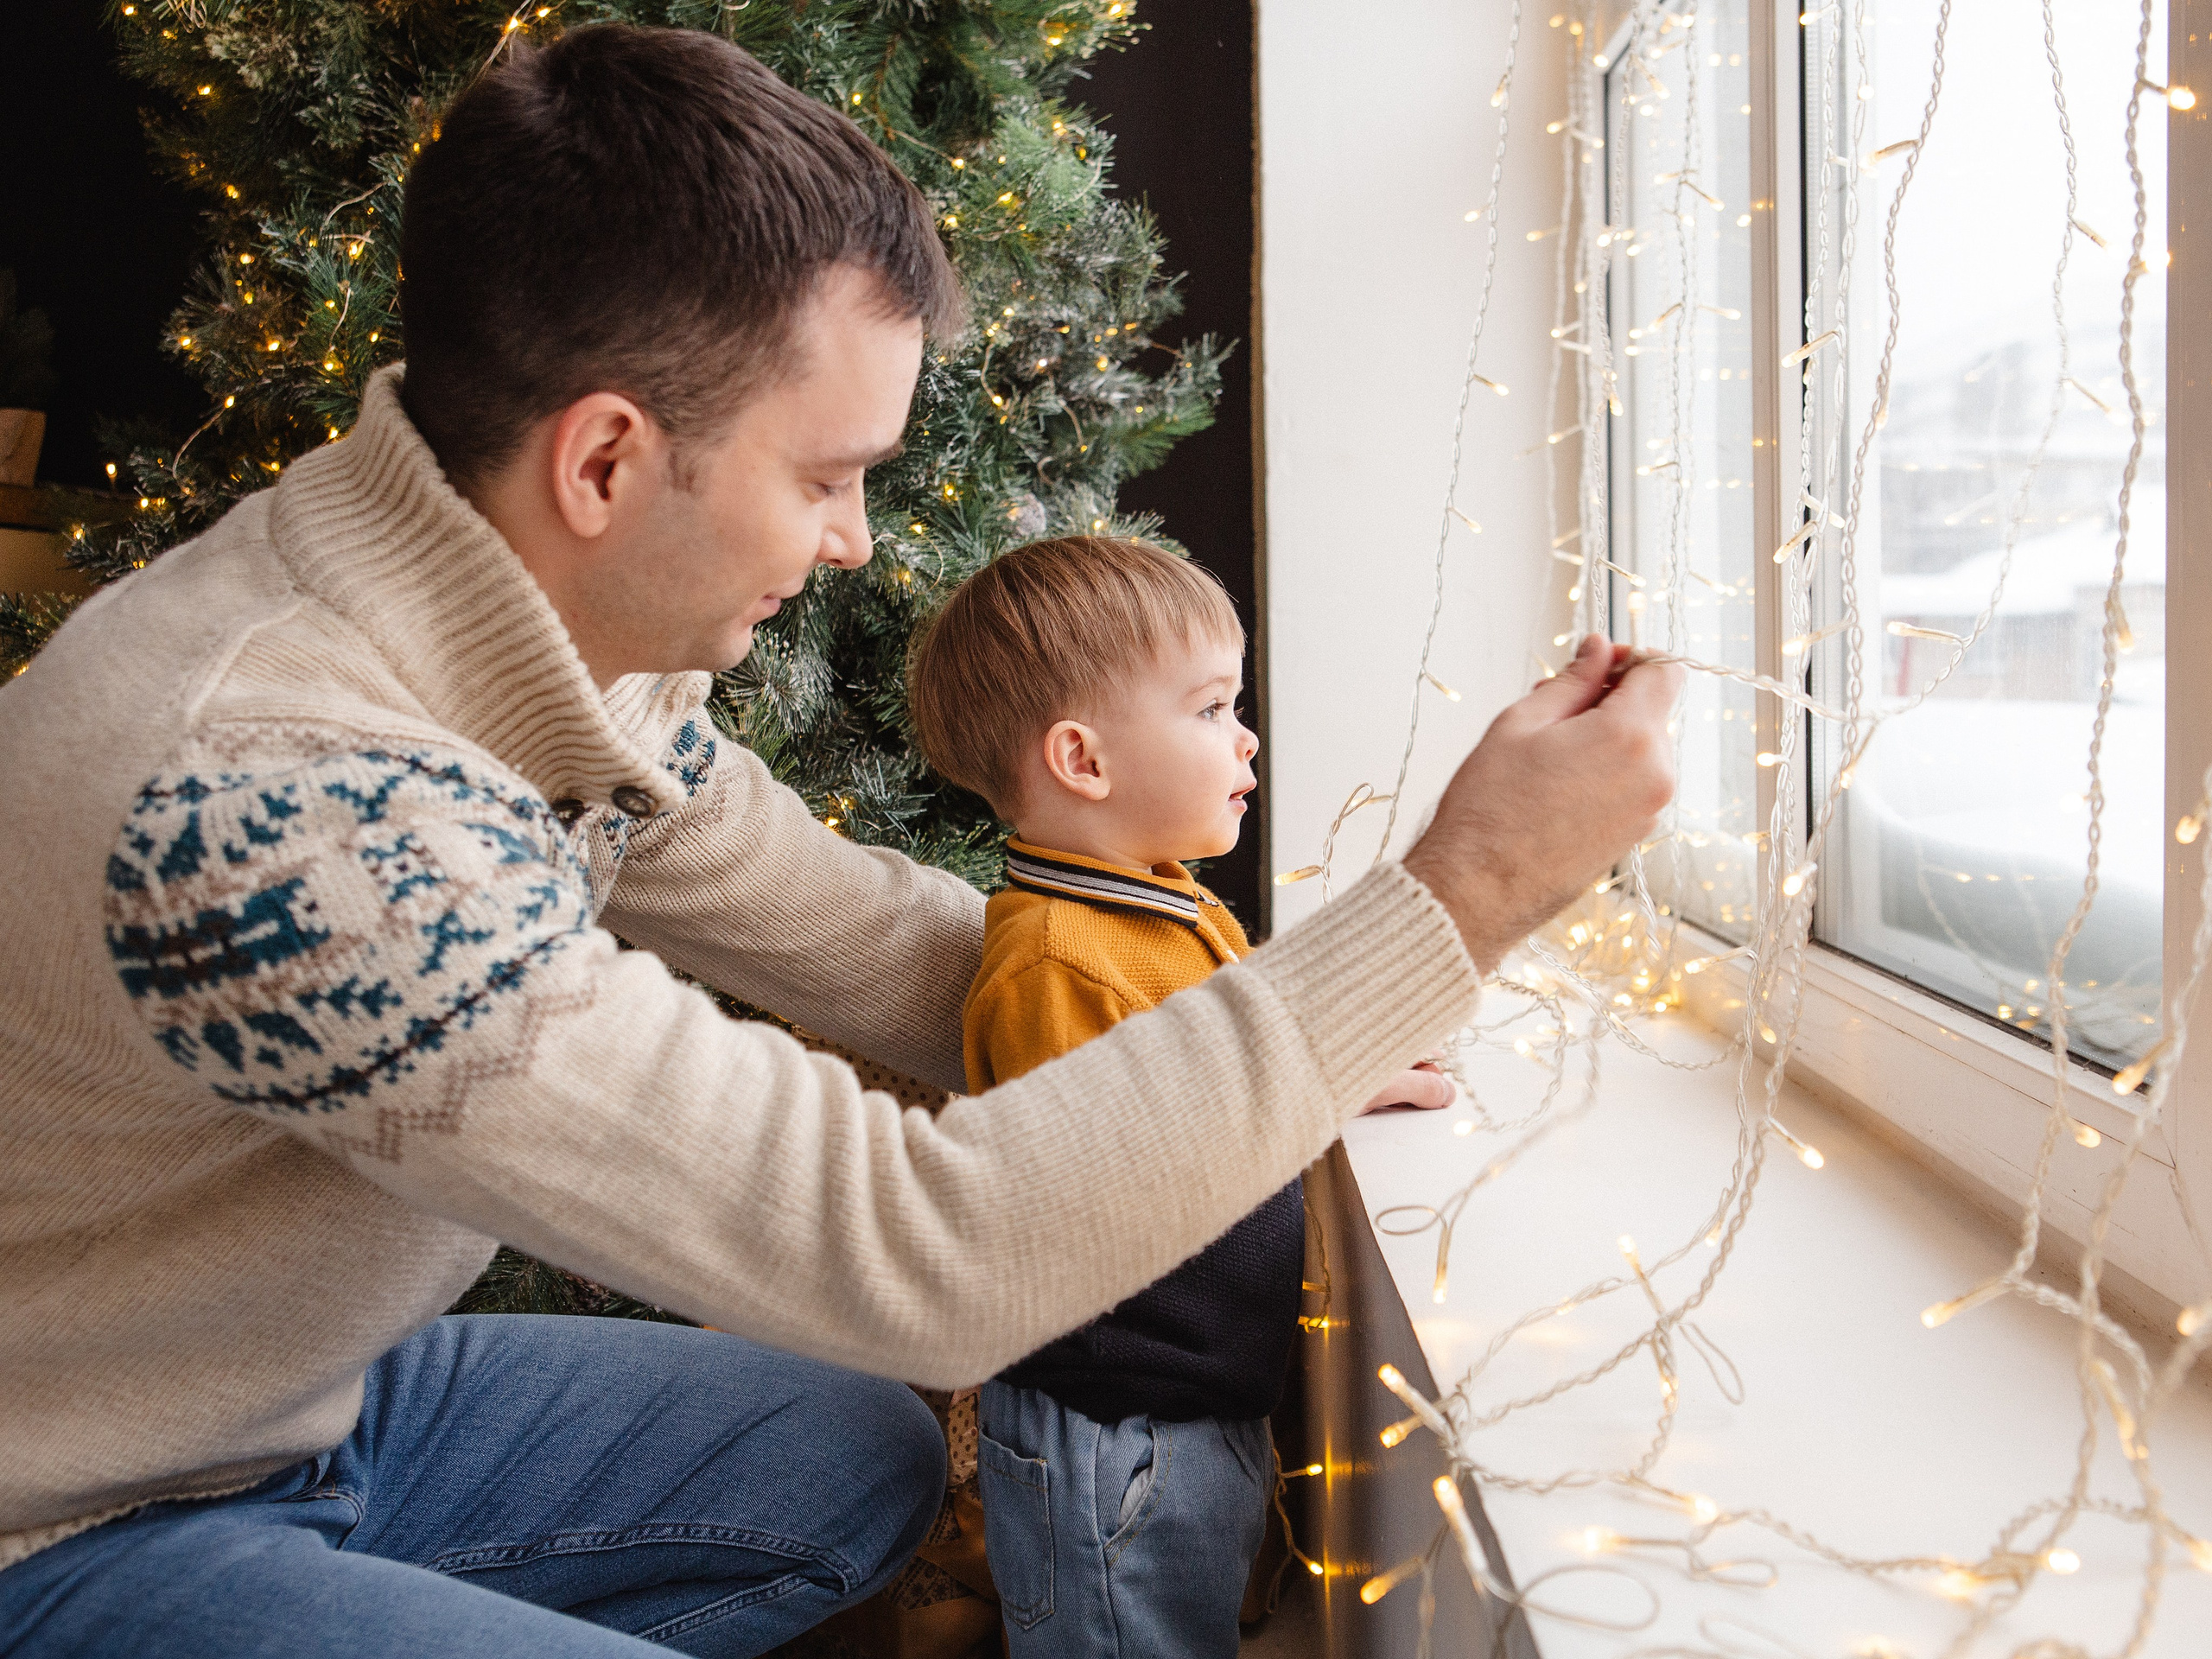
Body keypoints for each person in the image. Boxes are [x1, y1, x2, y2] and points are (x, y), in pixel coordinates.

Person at [0, 22, 1681, 1659]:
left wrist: (1272, 1025)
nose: (857, 541)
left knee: (850, 1457)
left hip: (298, 1406)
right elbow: (919, 1252)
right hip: (61, 1515)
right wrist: (1464, 891)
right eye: (824, 477)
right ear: (605, 460)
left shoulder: (557, 655)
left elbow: (874, 940)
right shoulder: (278, 804)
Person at [906, 535, 1448, 1658]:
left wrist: (1337, 1066)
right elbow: (1124, 1190)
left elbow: (1229, 1064)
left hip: (1188, 1398)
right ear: (1082, 759)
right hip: (1113, 1427)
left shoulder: (1165, 907)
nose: (1245, 737)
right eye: (1210, 710)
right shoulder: (1058, 960)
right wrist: (1307, 1089)